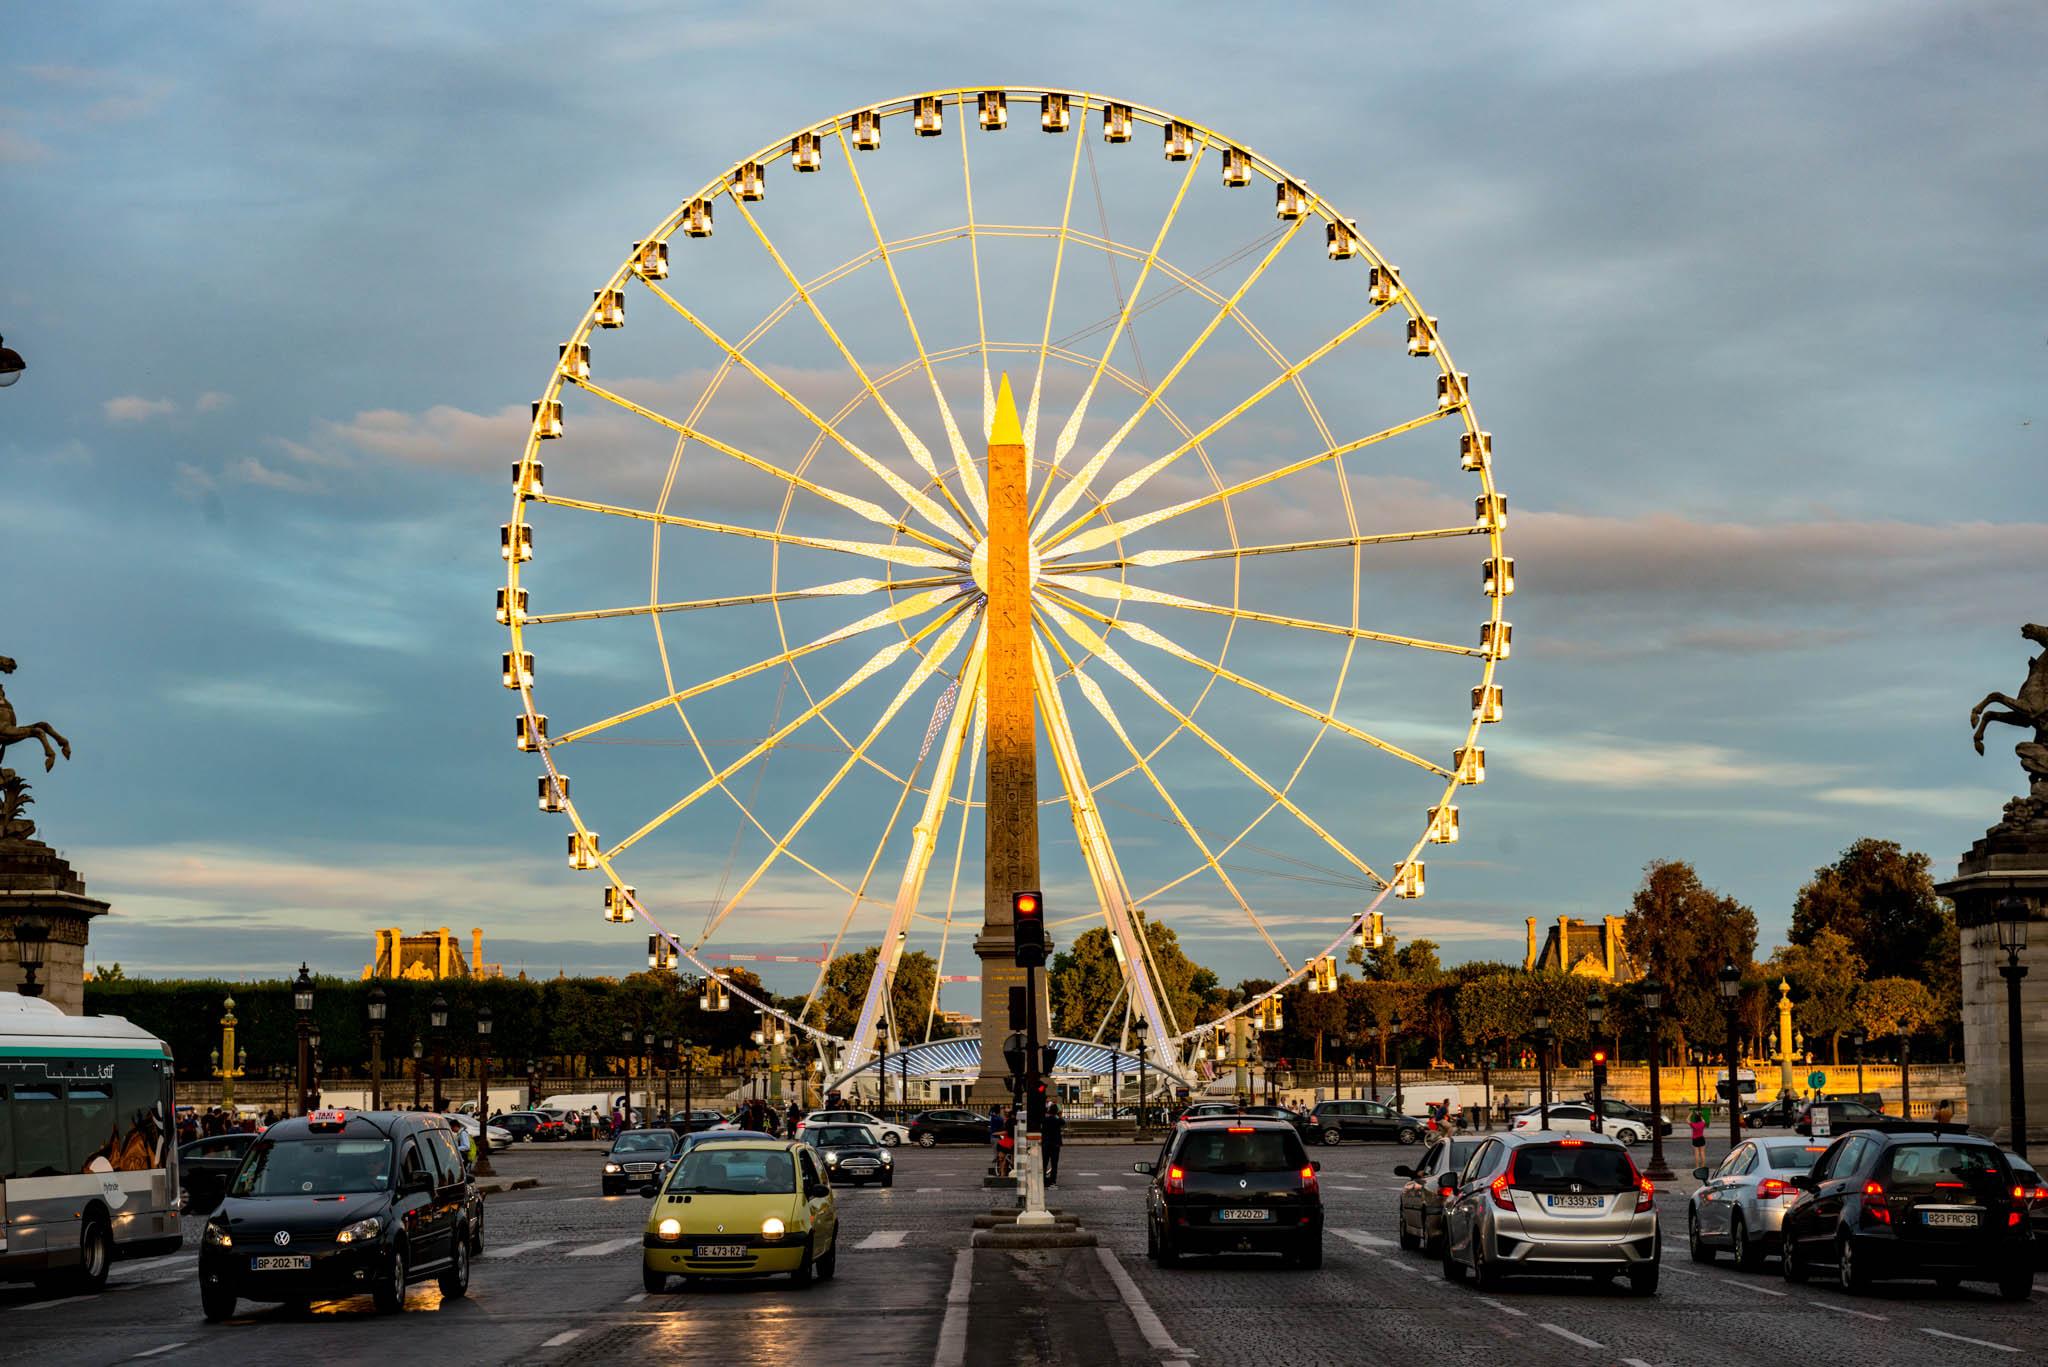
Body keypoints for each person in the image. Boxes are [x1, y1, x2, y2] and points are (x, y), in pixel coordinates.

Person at [1041, 1103, 1063, 1186]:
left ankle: (1043, 1179)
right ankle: (1053, 1180)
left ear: (1049, 1110)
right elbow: (1063, 1122)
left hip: (1046, 1143)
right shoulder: (1058, 1120)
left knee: (1044, 1163)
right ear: (1056, 1112)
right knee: (1054, 1163)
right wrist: (1059, 1115)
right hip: (1055, 1144)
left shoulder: (1045, 1120)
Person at [1689, 1106, 1708, 1171]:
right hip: (1701, 1138)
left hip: (1695, 1139)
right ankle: (1703, 1166)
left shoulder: (1693, 1124)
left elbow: (1687, 1120)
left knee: (1696, 1153)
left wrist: (1690, 1114)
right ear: (1699, 1119)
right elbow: (1703, 1120)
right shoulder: (1703, 1123)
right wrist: (1699, 1114)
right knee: (1702, 1152)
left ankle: (1697, 1166)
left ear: (1695, 1119)